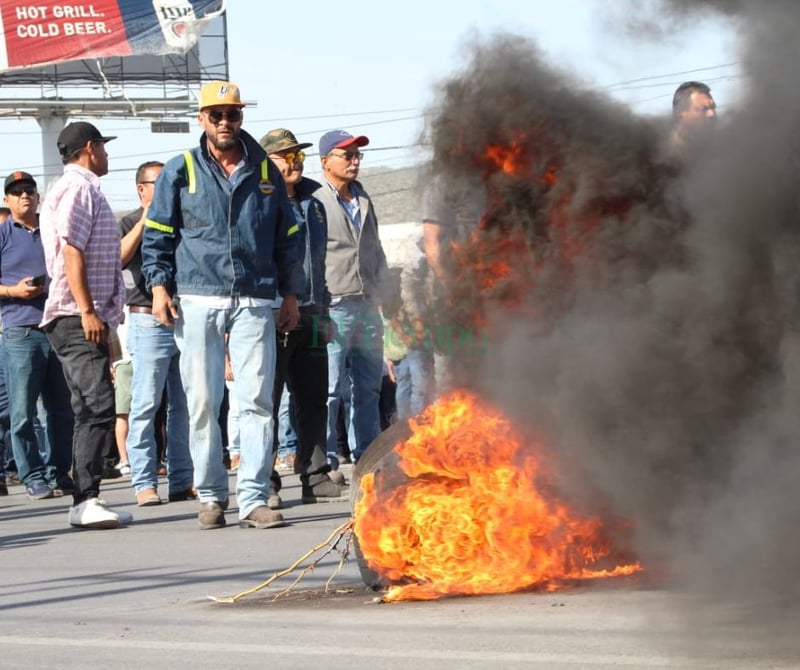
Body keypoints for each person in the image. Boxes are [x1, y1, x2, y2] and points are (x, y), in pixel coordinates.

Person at [141, 80, 304, 530]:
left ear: (241, 117)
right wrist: (158, 287)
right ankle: (211, 496)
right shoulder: (182, 169)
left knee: (255, 401)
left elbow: (288, 239)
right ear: (202, 119)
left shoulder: (266, 174)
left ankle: (253, 499)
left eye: (231, 114)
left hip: (255, 298)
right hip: (197, 298)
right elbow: (157, 235)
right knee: (203, 401)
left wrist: (290, 293)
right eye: (216, 115)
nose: (225, 122)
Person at [39, 122, 132, 529]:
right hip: (77, 315)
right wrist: (88, 309)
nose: (107, 156)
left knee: (89, 407)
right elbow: (71, 252)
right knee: (97, 406)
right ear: (90, 149)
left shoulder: (79, 188)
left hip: (81, 315)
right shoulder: (78, 188)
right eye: (104, 148)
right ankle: (85, 499)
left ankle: (87, 497)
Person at [260, 127, 347, 504]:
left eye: (298, 156)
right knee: (267, 400)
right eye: (286, 156)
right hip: (274, 312)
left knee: (313, 398)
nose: (295, 163)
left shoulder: (313, 201)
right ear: (267, 163)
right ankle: (266, 482)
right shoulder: (260, 199)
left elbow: (320, 261)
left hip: (312, 311)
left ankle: (314, 475)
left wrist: (324, 308)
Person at [119, 160, 194, 508]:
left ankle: (182, 479)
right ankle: (144, 482)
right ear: (142, 188)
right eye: (158, 182)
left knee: (185, 405)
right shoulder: (129, 221)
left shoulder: (181, 218)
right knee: (146, 403)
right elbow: (119, 257)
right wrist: (149, 216)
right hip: (147, 320)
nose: (168, 187)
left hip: (185, 316)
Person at [314, 129, 388, 466]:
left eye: (358, 155)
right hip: (332, 304)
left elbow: (376, 250)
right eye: (347, 155)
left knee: (369, 385)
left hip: (367, 303)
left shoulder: (364, 198)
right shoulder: (314, 199)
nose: (355, 161)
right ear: (325, 161)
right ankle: (328, 458)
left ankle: (368, 456)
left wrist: (384, 291)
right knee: (329, 388)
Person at [0, 171, 74, 500]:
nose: (24, 196)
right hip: (20, 331)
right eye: (16, 192)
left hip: (57, 326)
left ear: (38, 196)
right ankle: (31, 475)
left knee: (62, 409)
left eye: (29, 190)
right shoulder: (2, 234)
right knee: (22, 411)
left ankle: (58, 471)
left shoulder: (52, 229)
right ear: (7, 201)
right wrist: (14, 291)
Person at [668, 81, 717, 158]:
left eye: (713, 108)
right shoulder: (668, 154)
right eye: (703, 109)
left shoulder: (715, 147)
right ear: (680, 115)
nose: (712, 114)